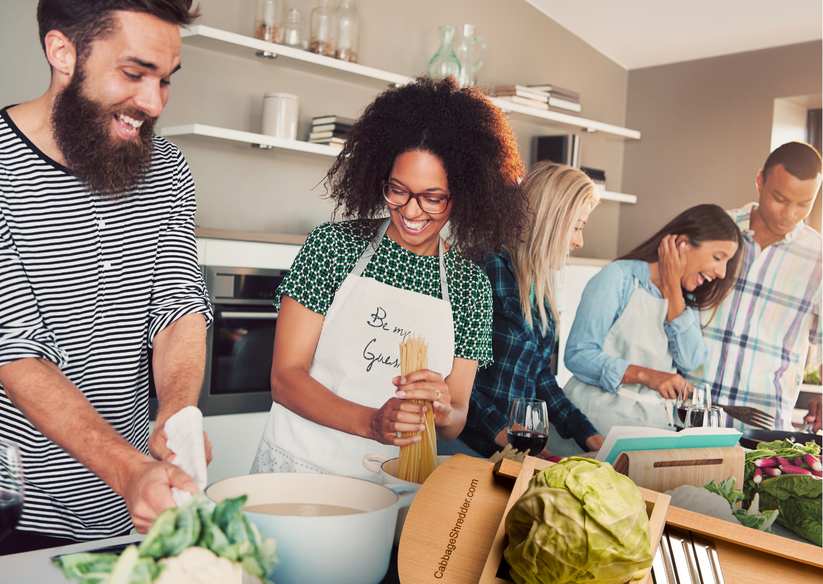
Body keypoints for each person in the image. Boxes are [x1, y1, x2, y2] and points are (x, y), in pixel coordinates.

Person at [0, 0, 213, 554]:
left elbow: (179, 306)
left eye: (165, 80)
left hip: (133, 508)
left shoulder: (164, 167)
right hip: (15, 508)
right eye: (134, 73)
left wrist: (176, 417)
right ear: (62, 52)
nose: (152, 102)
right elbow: (16, 350)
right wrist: (127, 469)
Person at [250, 76, 528, 480]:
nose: (412, 212)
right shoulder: (333, 248)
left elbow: (458, 417)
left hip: (392, 484)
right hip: (300, 468)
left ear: (463, 195)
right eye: (398, 190)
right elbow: (285, 378)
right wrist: (371, 422)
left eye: (432, 197)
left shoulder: (470, 287)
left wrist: (443, 408)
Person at [549, 204, 743, 454]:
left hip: (649, 437)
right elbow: (577, 354)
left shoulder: (682, 302)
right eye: (718, 258)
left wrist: (673, 288)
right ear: (682, 244)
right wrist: (647, 375)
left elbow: (692, 359)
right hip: (590, 431)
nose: (721, 272)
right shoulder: (618, 277)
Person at [457, 162, 605, 459]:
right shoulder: (484, 267)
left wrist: (591, 436)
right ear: (550, 221)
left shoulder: (538, 289)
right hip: (468, 449)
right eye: (576, 227)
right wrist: (515, 441)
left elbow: (540, 377)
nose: (579, 241)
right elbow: (457, 382)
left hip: (509, 451)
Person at [686, 142, 822, 431]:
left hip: (764, 429)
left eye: (804, 204)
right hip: (688, 414)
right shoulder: (714, 230)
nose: (790, 214)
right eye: (780, 199)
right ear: (760, 180)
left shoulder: (819, 259)